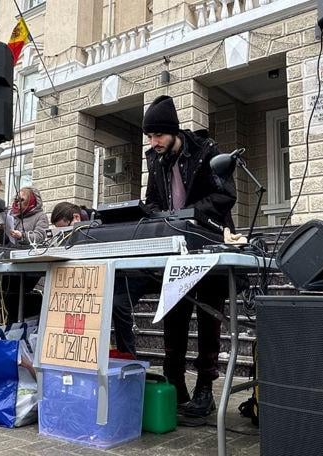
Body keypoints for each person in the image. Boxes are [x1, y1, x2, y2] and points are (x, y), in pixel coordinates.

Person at [115, 95, 236, 418]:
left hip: (209, 243)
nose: (153, 142)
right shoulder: (155, 158)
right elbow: (152, 199)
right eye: (149, 137)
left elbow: (226, 194)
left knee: (209, 320)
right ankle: (176, 384)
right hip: (175, 248)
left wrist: (189, 214)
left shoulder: (207, 151)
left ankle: (206, 389)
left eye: (158, 136)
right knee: (175, 314)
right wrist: (152, 215)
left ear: (174, 132)